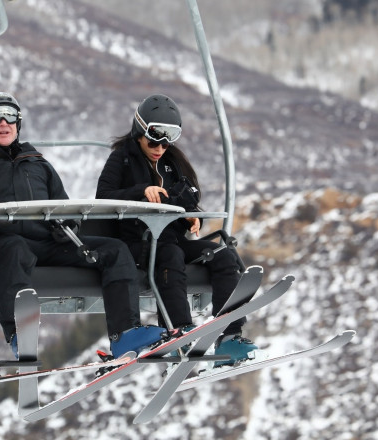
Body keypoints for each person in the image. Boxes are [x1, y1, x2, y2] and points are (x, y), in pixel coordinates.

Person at [0, 91, 166, 359]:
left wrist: (69, 228)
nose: (4, 123)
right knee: (15, 248)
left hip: (49, 243)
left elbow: (63, 203)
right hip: (7, 246)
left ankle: (125, 334)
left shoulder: (38, 164)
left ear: (19, 123)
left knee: (115, 250)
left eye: (10, 117)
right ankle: (20, 333)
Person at [95, 94, 259, 366]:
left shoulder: (172, 163)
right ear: (139, 130)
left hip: (170, 238)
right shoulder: (122, 159)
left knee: (223, 255)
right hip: (137, 243)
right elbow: (104, 197)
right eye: (154, 139)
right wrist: (140, 192)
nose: (160, 147)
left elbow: (186, 199)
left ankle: (229, 335)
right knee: (169, 255)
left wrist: (192, 219)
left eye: (167, 140)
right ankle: (179, 332)